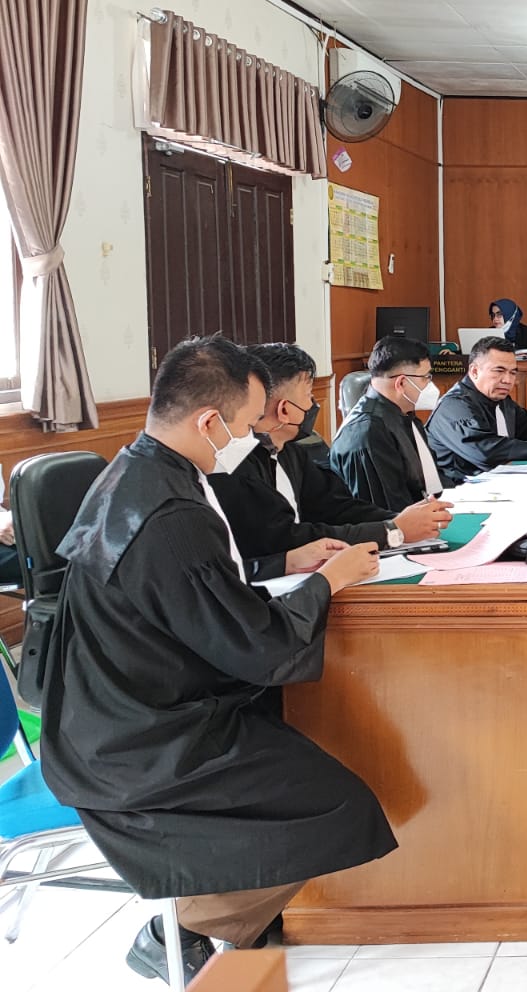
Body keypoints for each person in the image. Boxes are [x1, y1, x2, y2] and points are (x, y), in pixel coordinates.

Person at [38, 335, 395, 981]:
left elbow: (201, 596)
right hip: (137, 738)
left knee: (303, 746)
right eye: (246, 424)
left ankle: (218, 917)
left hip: (125, 702)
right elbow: (258, 646)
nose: (251, 437)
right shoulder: (171, 512)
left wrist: (290, 563)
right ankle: (182, 929)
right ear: (209, 421)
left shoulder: (139, 468)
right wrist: (327, 582)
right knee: (339, 804)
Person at [209, 343, 453, 581]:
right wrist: (391, 530)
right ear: (284, 410)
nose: (312, 404)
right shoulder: (235, 466)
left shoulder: (290, 451)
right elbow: (283, 538)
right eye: (308, 395)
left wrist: (401, 519)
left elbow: (334, 507)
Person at [427, 336, 527, 482]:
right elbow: (485, 452)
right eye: (499, 371)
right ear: (474, 371)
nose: (508, 380)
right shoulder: (454, 407)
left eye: (513, 372)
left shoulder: (501, 401)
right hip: (459, 492)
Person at [330, 335, 454, 512]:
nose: (430, 384)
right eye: (426, 377)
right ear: (401, 383)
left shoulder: (407, 416)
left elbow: (431, 479)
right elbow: (385, 510)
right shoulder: (367, 432)